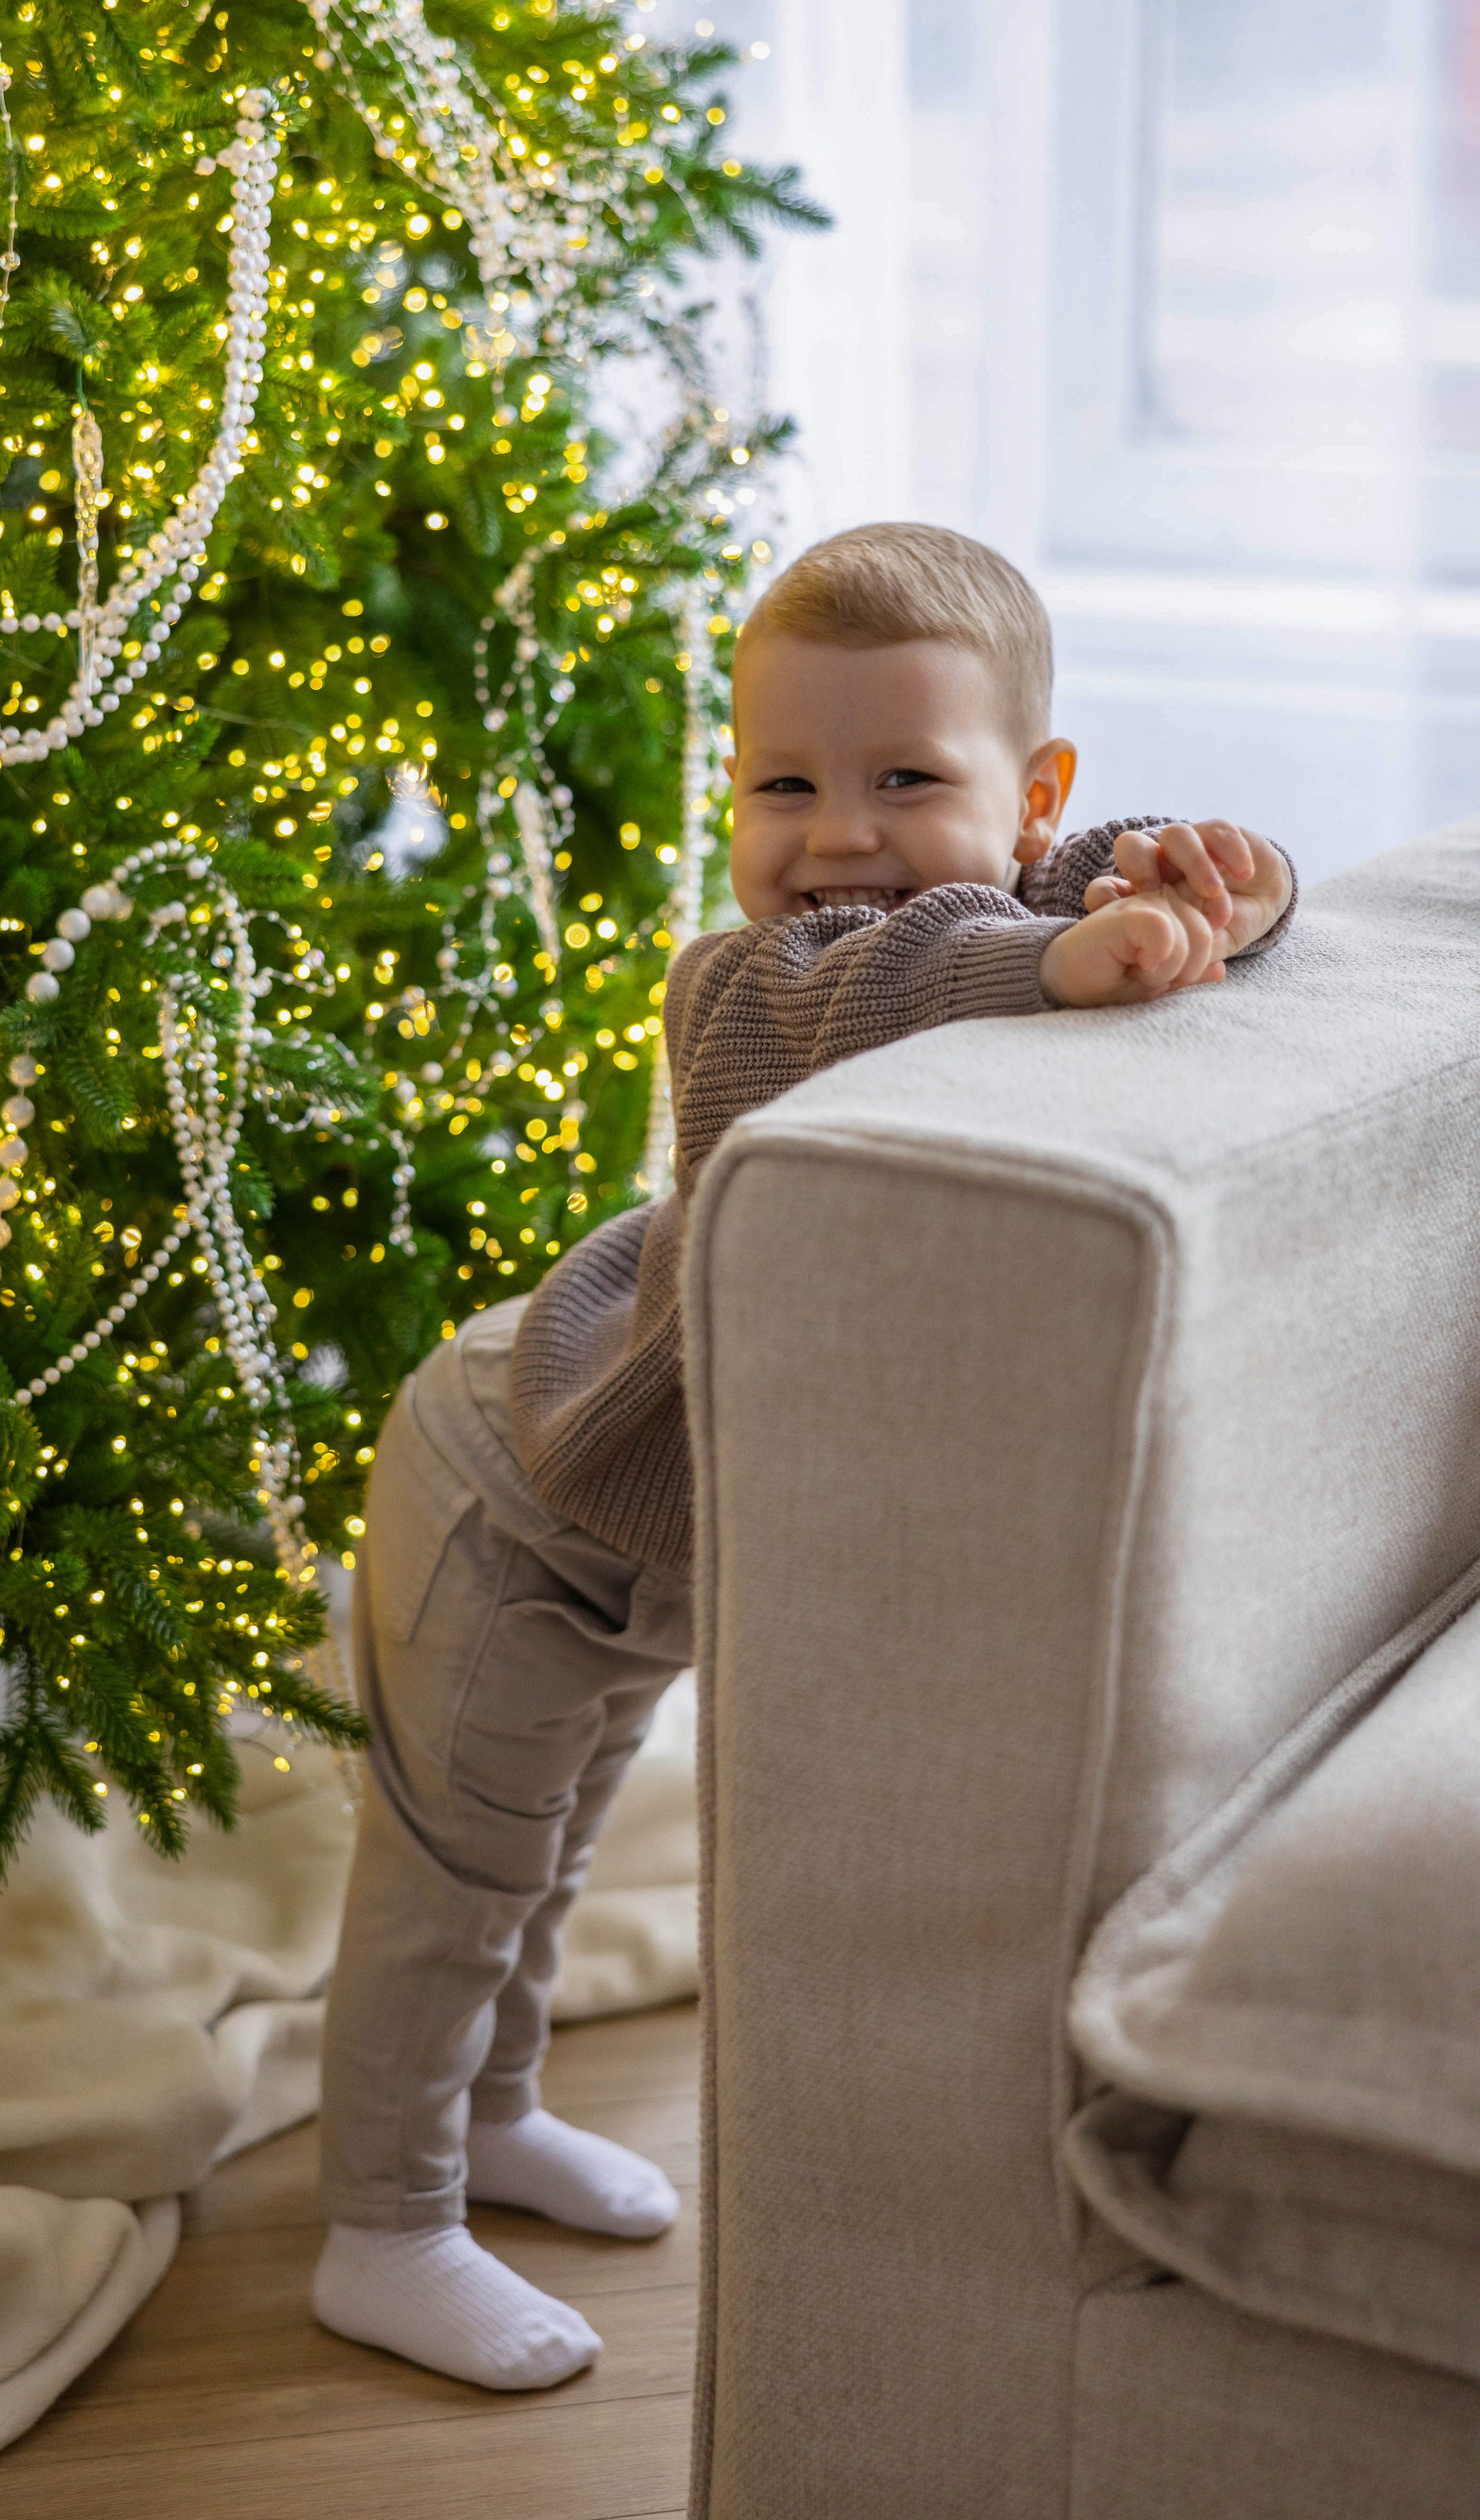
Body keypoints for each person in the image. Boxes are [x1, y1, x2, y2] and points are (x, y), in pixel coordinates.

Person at [310, 521, 1295, 2389]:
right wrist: (1078, 948)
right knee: (461, 1873)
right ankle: (386, 2218)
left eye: (904, 777)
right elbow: (895, 976)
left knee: (563, 1835)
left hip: (659, 1531)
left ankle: (496, 2118)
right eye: (783, 781)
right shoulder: (748, 991)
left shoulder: (1037, 899)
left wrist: (1233, 881)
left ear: (1038, 797)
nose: (833, 830)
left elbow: (1095, 896)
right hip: (519, 1493)